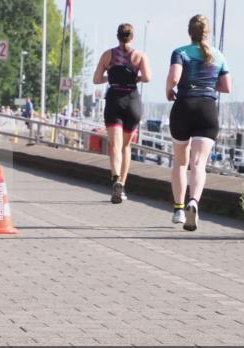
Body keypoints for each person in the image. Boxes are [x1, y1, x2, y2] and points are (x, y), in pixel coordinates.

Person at [165, 14, 231, 231]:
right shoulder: (219, 55)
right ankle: (194, 201)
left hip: (184, 106)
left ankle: (178, 209)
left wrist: (168, 90)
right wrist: (209, 85)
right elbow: (226, 86)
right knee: (199, 164)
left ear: (189, 32)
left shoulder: (180, 52)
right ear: (207, 32)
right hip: (207, 109)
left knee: (181, 163)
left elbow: (175, 78)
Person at [92, 23, 151, 203]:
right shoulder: (139, 56)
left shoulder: (107, 55)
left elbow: (96, 79)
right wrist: (134, 77)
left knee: (115, 146)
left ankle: (115, 179)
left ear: (117, 36)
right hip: (132, 100)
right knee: (126, 146)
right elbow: (147, 78)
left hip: (114, 100)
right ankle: (122, 186)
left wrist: (111, 76)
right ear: (132, 37)